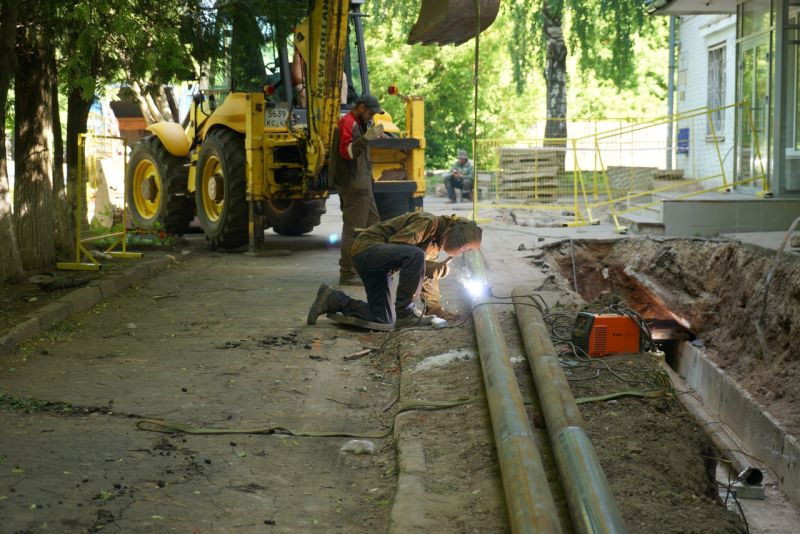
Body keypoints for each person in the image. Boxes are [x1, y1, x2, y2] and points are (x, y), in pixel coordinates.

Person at [307, 212, 483, 330]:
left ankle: (331, 299)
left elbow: (425, 276)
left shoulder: (436, 245)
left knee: (383, 319)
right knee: (415, 255)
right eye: (465, 248)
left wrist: (434, 309)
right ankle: (405, 311)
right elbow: (398, 247)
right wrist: (427, 266)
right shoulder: (428, 223)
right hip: (367, 249)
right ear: (457, 236)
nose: (463, 252)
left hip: (380, 268)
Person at [330, 94, 385, 286]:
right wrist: (366, 138)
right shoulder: (347, 122)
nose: (372, 117)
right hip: (353, 187)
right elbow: (348, 152)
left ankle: (371, 268)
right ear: (360, 107)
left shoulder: (359, 123)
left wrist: (370, 136)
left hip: (363, 187)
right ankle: (347, 272)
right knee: (354, 231)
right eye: (370, 112)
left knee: (374, 228)